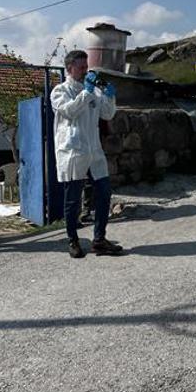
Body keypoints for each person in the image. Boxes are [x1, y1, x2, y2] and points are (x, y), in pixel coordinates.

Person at [50, 50, 122, 258]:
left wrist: (109, 96)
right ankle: (72, 239)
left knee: (104, 193)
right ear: (69, 68)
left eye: (86, 66)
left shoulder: (92, 91)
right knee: (73, 199)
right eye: (81, 67)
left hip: (94, 150)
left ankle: (99, 239)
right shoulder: (60, 91)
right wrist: (88, 92)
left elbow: (107, 114)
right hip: (73, 152)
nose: (85, 70)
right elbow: (70, 111)